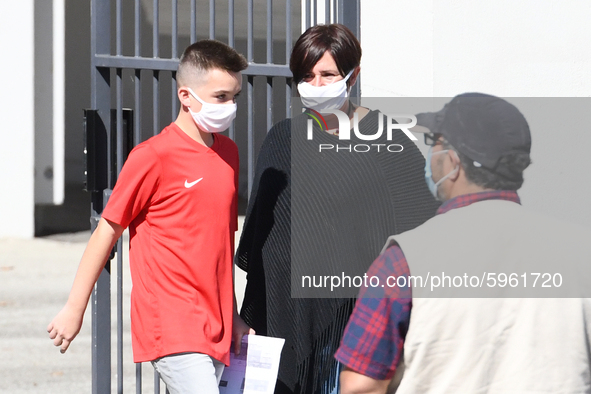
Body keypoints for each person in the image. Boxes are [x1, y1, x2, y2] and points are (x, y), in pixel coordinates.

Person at [336, 93, 591, 393]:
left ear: (453, 163)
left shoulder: (404, 260)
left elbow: (360, 386)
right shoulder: (581, 250)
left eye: (435, 143)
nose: (431, 154)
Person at [235, 24, 439, 394]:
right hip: (283, 318)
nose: (316, 85)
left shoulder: (387, 140)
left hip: (355, 322)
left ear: (352, 75)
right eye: (306, 76)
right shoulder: (283, 138)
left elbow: (421, 233)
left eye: (327, 75)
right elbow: (263, 237)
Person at [47, 40, 254, 394]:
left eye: (234, 96)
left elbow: (219, 246)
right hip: (172, 324)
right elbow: (106, 231)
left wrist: (232, 317)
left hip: (216, 326)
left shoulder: (229, 154)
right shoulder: (152, 157)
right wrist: (74, 308)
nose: (230, 106)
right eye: (221, 96)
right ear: (186, 96)